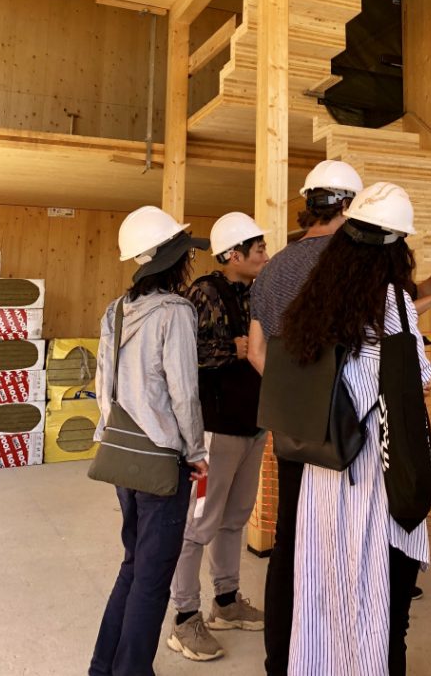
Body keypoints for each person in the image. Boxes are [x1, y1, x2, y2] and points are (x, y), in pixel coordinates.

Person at [281, 181, 431, 675]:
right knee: (383, 612)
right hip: (373, 472)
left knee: (324, 598)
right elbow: (415, 378)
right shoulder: (392, 300)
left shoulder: (316, 295)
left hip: (323, 468)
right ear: (397, 245)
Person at [248, 159, 365, 676]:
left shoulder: (273, 268)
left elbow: (257, 352)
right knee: (346, 546)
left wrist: (296, 396)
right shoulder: (355, 263)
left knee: (290, 541)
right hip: (346, 431)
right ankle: (338, 657)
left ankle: (282, 660)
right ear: (349, 206)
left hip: (291, 427)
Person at [89, 206, 210, 676]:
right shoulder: (175, 312)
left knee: (133, 564)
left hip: (123, 453)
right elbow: (184, 392)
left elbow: (104, 384)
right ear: (170, 258)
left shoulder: (116, 309)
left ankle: (104, 667)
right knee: (153, 577)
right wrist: (196, 451)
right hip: (162, 459)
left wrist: (111, 432)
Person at [168, 212, 270, 662]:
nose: (265, 255)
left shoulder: (258, 293)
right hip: (216, 430)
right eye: (258, 248)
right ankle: (184, 616)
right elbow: (182, 351)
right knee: (199, 524)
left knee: (235, 517)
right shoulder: (205, 292)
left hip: (252, 424)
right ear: (233, 255)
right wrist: (233, 348)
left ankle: (226, 603)